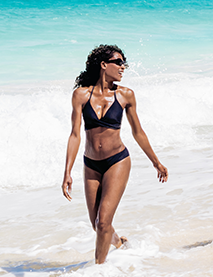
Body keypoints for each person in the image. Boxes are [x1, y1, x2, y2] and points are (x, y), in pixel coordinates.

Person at [62, 45, 168, 264]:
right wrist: (67, 172)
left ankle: (97, 271)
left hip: (117, 161)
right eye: (118, 62)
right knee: (98, 225)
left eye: (123, 63)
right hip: (91, 164)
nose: (123, 67)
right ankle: (120, 243)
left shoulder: (125, 95)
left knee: (102, 224)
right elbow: (74, 135)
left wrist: (156, 162)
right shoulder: (81, 95)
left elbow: (138, 132)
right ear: (104, 65)